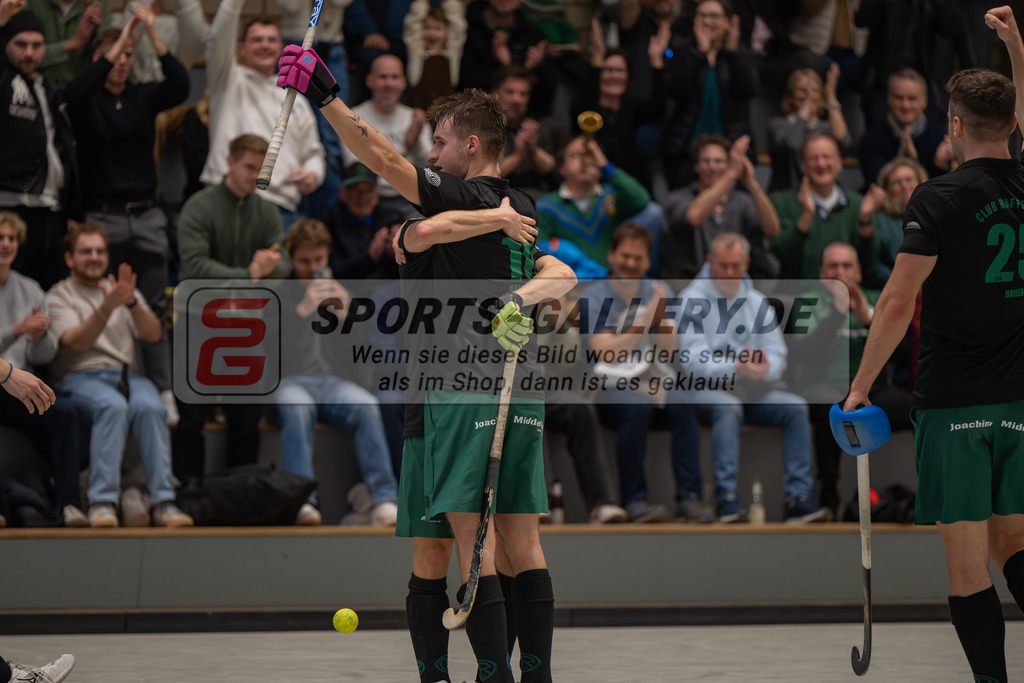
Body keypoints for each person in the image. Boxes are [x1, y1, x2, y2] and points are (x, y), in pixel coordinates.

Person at [277, 46, 577, 683]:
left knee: (479, 543)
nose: (430, 155)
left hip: (460, 390)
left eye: (439, 143)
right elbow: (431, 241)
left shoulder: (465, 193)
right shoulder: (513, 207)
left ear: (471, 145)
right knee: (459, 545)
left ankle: (496, 674)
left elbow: (382, 157)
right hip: (487, 392)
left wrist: (326, 95)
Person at [843, 7, 1024, 681]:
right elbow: (1014, 118)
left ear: (951, 124)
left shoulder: (938, 198)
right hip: (1019, 402)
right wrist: (1015, 47)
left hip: (954, 407)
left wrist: (860, 386)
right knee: (1015, 544)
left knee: (968, 561)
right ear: (1010, 124)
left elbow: (895, 302)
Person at [63, 10, 190, 426]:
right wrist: (115, 42)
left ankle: (164, 389)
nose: (121, 61)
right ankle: (114, 380)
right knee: (107, 301)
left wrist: (150, 33)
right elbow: (78, 87)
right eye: (114, 54)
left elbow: (180, 84)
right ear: (100, 57)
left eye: (127, 55)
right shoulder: (86, 103)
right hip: (103, 217)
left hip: (147, 213)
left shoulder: (143, 95)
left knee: (150, 306)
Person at [45, 222, 193, 528]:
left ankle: (164, 502)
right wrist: (106, 308)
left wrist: (131, 303)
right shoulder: (58, 295)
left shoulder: (123, 291)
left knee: (153, 408)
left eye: (100, 251)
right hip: (79, 378)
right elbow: (76, 343)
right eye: (85, 252)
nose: (94, 257)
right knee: (112, 406)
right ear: (69, 258)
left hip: (127, 378)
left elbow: (153, 335)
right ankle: (102, 503)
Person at [679, 232, 831, 524]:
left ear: (746, 263)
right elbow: (691, 362)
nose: (729, 273)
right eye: (722, 265)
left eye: (736, 266)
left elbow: (778, 354)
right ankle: (727, 500)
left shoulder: (756, 301)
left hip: (754, 388)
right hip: (708, 390)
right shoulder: (690, 299)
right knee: (728, 407)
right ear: (709, 262)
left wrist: (763, 369)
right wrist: (735, 368)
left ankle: (796, 500)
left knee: (796, 407)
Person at [175, 134, 290, 484]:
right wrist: (251, 275)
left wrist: (261, 276)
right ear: (229, 162)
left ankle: (239, 493)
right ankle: (188, 494)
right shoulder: (199, 206)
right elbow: (195, 267)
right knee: (192, 418)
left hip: (246, 327)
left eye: (261, 169)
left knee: (246, 420)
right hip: (199, 322)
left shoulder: (267, 211)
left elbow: (282, 266)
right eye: (248, 167)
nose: (254, 175)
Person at [578, 222, 707, 523]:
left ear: (648, 261)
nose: (630, 264)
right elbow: (607, 351)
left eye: (638, 258)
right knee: (635, 406)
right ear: (611, 255)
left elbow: (670, 350)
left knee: (683, 400)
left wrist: (661, 319)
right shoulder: (594, 296)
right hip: (607, 386)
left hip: (653, 380)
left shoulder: (659, 290)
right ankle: (633, 499)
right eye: (625, 256)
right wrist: (647, 317)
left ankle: (689, 497)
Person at [275, 217, 400, 527]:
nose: (313, 267)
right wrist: (302, 310)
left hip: (332, 382)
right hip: (290, 380)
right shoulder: (279, 292)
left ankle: (384, 498)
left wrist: (348, 320)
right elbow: (270, 355)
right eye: (305, 261)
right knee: (297, 407)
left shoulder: (340, 289)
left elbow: (359, 357)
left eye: (318, 259)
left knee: (369, 406)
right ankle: (303, 499)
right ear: (292, 258)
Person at [790, 241, 912, 517]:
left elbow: (903, 354)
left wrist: (868, 319)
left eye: (847, 266)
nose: (840, 272)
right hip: (824, 389)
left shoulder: (878, 300)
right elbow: (806, 355)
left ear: (858, 272)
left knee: (919, 408)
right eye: (833, 266)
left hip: (873, 391)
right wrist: (837, 312)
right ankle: (829, 492)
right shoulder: (806, 302)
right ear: (822, 273)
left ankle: (930, 487)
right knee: (827, 408)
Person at [200, 0, 324, 223]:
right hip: (229, 203)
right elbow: (219, 38)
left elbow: (313, 153)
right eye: (257, 40)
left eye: (271, 40)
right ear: (241, 46)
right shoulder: (227, 79)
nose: (264, 45)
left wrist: (312, 173)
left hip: (281, 210)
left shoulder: (295, 96)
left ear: (281, 47)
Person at [0, 210, 85, 526]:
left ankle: (69, 504)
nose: (6, 244)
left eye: (11, 238)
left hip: (19, 382)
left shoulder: (31, 289)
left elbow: (41, 356)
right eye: (0, 238)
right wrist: (15, 331)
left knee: (64, 412)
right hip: (5, 378)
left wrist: (38, 338)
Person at [0, 8, 80, 291]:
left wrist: (72, 209)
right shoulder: (5, 80)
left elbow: (63, 151)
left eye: (36, 45)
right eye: (21, 45)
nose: (29, 53)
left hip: (51, 207)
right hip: (11, 204)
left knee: (51, 290)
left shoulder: (48, 86)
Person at [663, 134, 780, 278]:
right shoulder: (678, 198)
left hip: (733, 282)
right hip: (690, 283)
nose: (712, 166)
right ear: (696, 166)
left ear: (727, 164)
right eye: (706, 161)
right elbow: (694, 217)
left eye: (719, 161)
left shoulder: (741, 201)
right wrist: (731, 174)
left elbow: (772, 230)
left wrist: (750, 183)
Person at [770, 133, 881, 279]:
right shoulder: (783, 202)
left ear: (840, 162)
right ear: (803, 165)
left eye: (827, 157)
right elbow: (779, 254)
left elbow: (869, 261)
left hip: (846, 294)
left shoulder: (859, 203)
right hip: (797, 295)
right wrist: (806, 217)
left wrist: (865, 220)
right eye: (813, 158)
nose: (821, 164)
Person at [536, 135, 652, 272]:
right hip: (570, 284)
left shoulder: (612, 197)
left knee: (653, 212)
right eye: (575, 155)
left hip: (612, 281)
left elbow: (641, 200)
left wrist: (605, 166)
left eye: (591, 155)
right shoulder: (545, 206)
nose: (584, 160)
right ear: (562, 167)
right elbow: (539, 253)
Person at [341, 53, 432, 219]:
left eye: (394, 77)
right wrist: (406, 147)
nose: (388, 83)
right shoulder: (354, 118)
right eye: (382, 77)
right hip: (368, 201)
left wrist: (416, 142)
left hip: (411, 202)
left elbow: (429, 167)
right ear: (369, 81)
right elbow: (354, 164)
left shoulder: (416, 119)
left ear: (403, 82)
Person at [859, 68, 954, 185]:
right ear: (888, 99)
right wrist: (910, 161)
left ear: (924, 101)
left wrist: (940, 165)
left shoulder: (939, 138)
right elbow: (877, 185)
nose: (905, 105)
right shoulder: (872, 139)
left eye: (912, 98)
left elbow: (942, 193)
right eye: (899, 98)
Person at [767, 64, 852, 193]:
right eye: (802, 90)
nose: (810, 96)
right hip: (786, 194)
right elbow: (793, 143)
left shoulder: (826, 127)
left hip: (821, 194)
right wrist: (804, 113)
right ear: (790, 96)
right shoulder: (777, 124)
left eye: (815, 90)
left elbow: (844, 143)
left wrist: (830, 96)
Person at [321, 161, 405, 279]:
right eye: (355, 190)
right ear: (343, 193)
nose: (362, 198)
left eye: (368, 190)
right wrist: (369, 258)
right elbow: (334, 270)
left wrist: (394, 255)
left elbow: (404, 273)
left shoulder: (392, 219)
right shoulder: (329, 222)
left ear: (376, 193)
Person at [861, 157, 928, 288]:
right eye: (897, 182)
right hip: (895, 291)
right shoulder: (879, 220)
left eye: (909, 179)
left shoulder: (935, 215)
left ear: (920, 182)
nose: (904, 186)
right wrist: (901, 285)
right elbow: (872, 264)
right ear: (887, 189)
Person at [25, 0, 110, 88]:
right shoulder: (31, 4)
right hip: (37, 86)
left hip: (84, 88)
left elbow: (108, 57)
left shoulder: (98, 4)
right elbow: (24, 54)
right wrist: (75, 42)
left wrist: (96, 35)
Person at [403, 0, 467, 111]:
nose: (432, 33)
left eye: (437, 28)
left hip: (446, 111)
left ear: (446, 30)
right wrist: (421, 4)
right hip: (418, 110)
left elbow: (457, 27)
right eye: (427, 28)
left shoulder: (451, 51)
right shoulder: (417, 50)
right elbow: (412, 27)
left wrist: (449, 3)